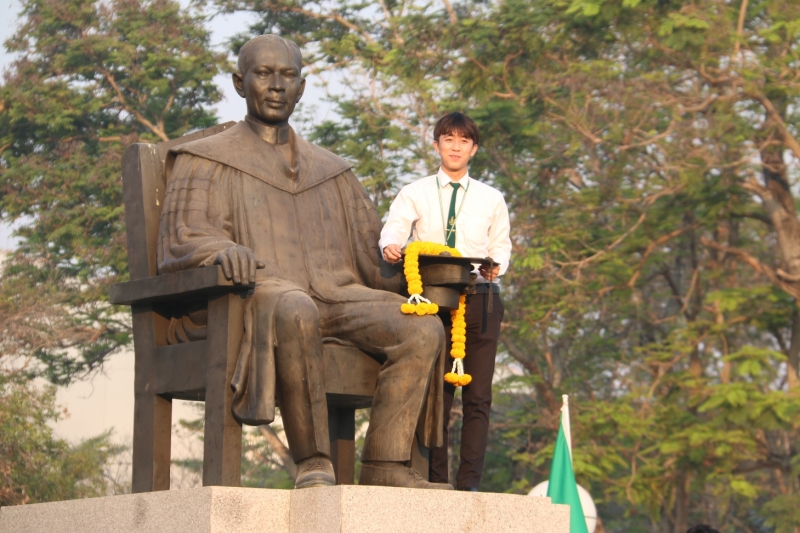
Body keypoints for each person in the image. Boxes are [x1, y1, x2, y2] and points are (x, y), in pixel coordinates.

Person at [157, 34, 450, 490]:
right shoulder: (205, 160)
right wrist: (221, 251)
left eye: (288, 75)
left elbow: (374, 256)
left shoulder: (332, 171)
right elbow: (183, 235)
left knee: (421, 326)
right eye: (263, 74)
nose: (276, 86)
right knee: (296, 308)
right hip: (258, 297)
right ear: (239, 83)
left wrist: (421, 261)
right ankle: (314, 461)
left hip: (336, 296)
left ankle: (386, 462)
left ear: (302, 87)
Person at [380, 112, 512, 491]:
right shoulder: (415, 191)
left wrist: (495, 267)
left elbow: (501, 246)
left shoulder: (491, 198)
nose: (456, 147)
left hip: (480, 299)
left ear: (474, 149)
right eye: (448, 139)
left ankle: (469, 483)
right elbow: (394, 228)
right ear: (436, 144)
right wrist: (390, 245)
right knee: (436, 394)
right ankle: (435, 480)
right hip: (433, 301)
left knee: (478, 397)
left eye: (463, 141)